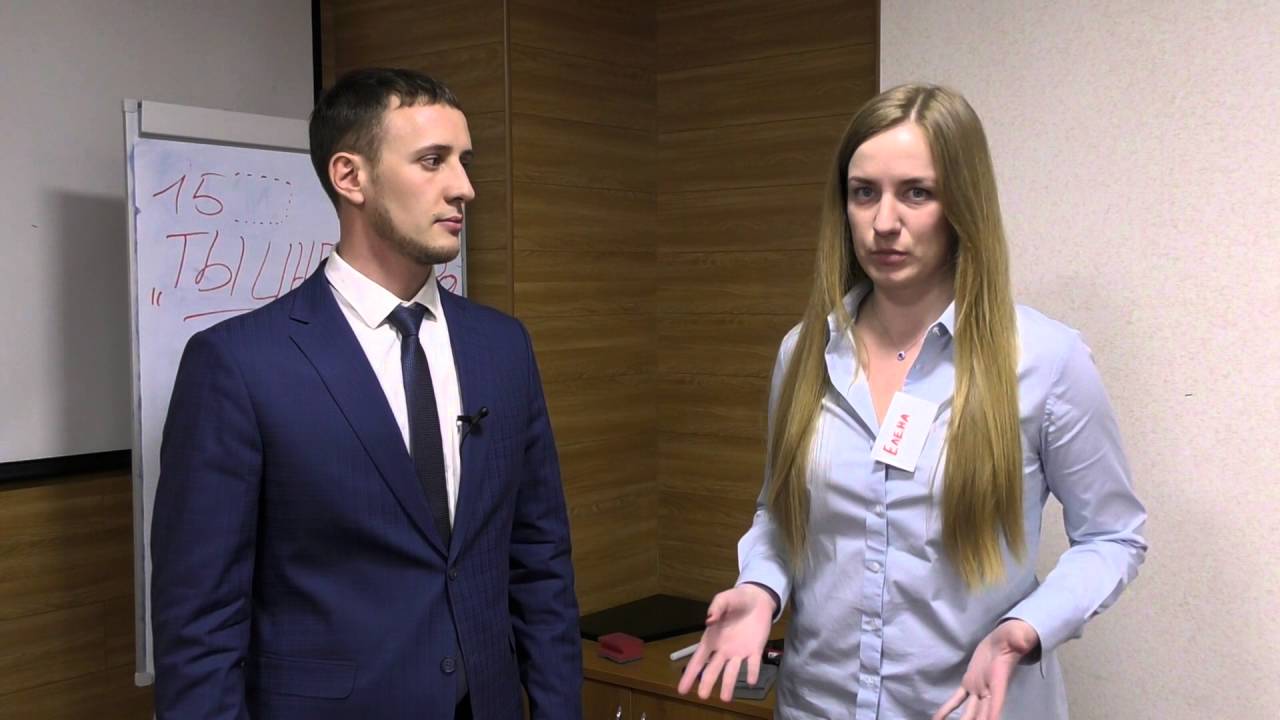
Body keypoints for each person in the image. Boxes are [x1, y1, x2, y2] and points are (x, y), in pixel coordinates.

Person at [676, 84, 1147, 719]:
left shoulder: (1045, 361)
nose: (884, 222)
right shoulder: (805, 352)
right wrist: (761, 586)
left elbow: (1113, 536)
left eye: (916, 193)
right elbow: (780, 514)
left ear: (962, 205)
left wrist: (1028, 627)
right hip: (820, 705)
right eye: (863, 192)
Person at [151, 68, 581, 720]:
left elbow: (540, 562)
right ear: (350, 176)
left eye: (464, 162)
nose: (464, 187)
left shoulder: (503, 347)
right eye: (433, 161)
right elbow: (199, 621)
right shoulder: (238, 365)